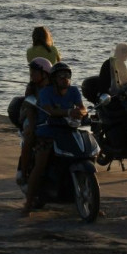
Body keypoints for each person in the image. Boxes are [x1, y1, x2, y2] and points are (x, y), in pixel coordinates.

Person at [22, 62, 87, 216]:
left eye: (68, 76)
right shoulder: (46, 92)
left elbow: (82, 107)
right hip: (47, 128)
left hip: (68, 128)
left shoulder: (73, 91)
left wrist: (81, 113)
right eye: (61, 76)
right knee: (41, 162)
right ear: (54, 79)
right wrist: (69, 112)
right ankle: (28, 203)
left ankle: (89, 199)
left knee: (86, 152)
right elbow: (49, 110)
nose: (65, 79)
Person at [17, 57, 52, 185]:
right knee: (30, 137)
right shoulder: (32, 87)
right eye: (30, 73)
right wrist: (31, 125)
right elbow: (30, 109)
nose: (31, 76)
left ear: (45, 73)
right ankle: (24, 171)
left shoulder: (53, 87)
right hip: (30, 116)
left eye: (34, 73)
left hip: (48, 117)